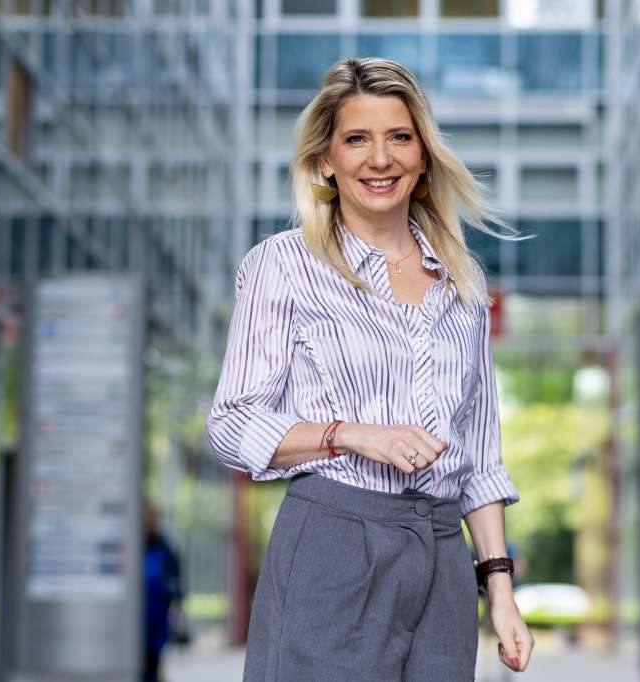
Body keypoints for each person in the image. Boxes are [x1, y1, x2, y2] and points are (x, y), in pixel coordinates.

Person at [206, 57, 534, 681]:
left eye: (399, 137)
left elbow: (479, 458)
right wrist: (350, 434)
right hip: (334, 544)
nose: (379, 159)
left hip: (441, 559)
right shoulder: (283, 265)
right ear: (325, 160)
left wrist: (500, 590)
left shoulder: (462, 282)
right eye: (356, 139)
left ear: (423, 156)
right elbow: (231, 425)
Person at [142, 504, 184, 682]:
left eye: (153, 519)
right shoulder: (134, 545)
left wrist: (178, 603)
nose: (150, 523)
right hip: (138, 612)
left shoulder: (165, 547)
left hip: (158, 611)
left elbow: (175, 578)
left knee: (154, 655)